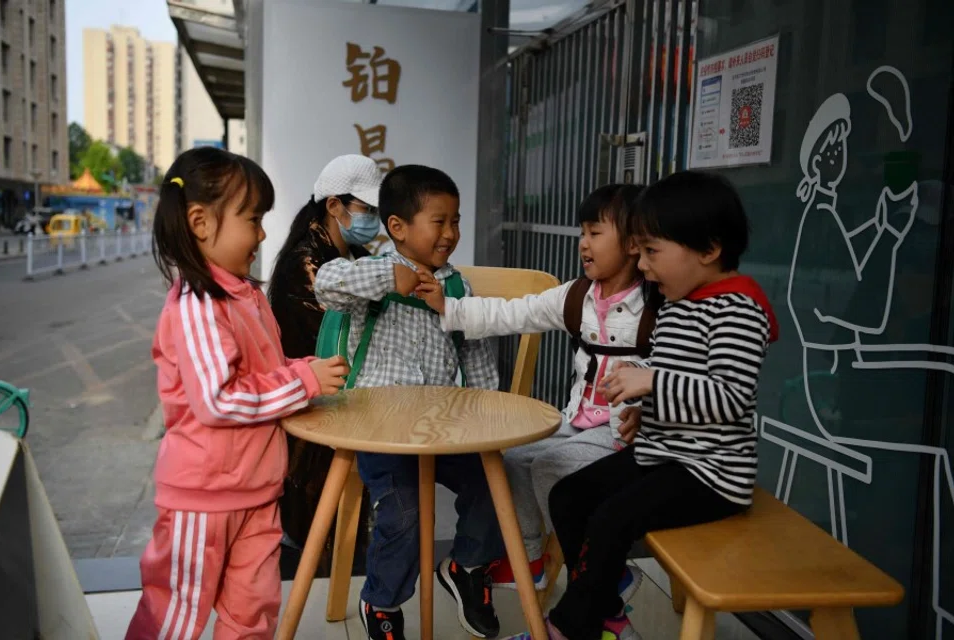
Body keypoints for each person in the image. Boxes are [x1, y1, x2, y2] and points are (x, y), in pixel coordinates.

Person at [501, 170, 780, 640]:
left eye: (652, 252)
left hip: (709, 474)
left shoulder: (737, 310)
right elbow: (676, 376)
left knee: (611, 518)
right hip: (662, 457)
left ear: (709, 249)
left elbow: (730, 397)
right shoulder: (680, 301)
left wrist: (650, 382)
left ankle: (571, 628)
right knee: (569, 496)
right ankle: (606, 613)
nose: (644, 265)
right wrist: (641, 410)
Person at [125, 147, 349, 640]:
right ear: (201, 222)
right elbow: (220, 399)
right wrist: (302, 383)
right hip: (204, 498)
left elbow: (262, 370)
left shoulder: (244, 295)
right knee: (178, 615)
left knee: (253, 611)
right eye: (252, 219)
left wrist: (301, 367)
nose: (263, 233)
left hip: (257, 489)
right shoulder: (199, 304)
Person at [416, 184, 660, 610]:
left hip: (625, 432)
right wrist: (450, 309)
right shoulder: (577, 295)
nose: (584, 243)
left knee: (552, 467)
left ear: (634, 241)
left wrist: (647, 396)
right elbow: (514, 312)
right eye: (582, 232)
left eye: (595, 233)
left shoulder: (656, 305)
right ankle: (530, 556)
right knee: (512, 458)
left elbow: (681, 368)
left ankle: (609, 571)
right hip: (578, 420)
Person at [314, 164, 506, 640]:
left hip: (443, 425)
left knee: (500, 480)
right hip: (380, 428)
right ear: (397, 227)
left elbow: (477, 358)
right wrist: (388, 276)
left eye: (455, 221)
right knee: (404, 513)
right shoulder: (371, 275)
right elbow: (325, 283)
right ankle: (382, 600)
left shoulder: (457, 287)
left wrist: (490, 419)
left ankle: (467, 565)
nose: (450, 233)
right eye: (438, 221)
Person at [267, 154, 382, 555]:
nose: (375, 220)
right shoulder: (307, 265)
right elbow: (342, 342)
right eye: (367, 209)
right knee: (318, 528)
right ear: (335, 206)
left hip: (333, 399)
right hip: (314, 407)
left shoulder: (347, 256)